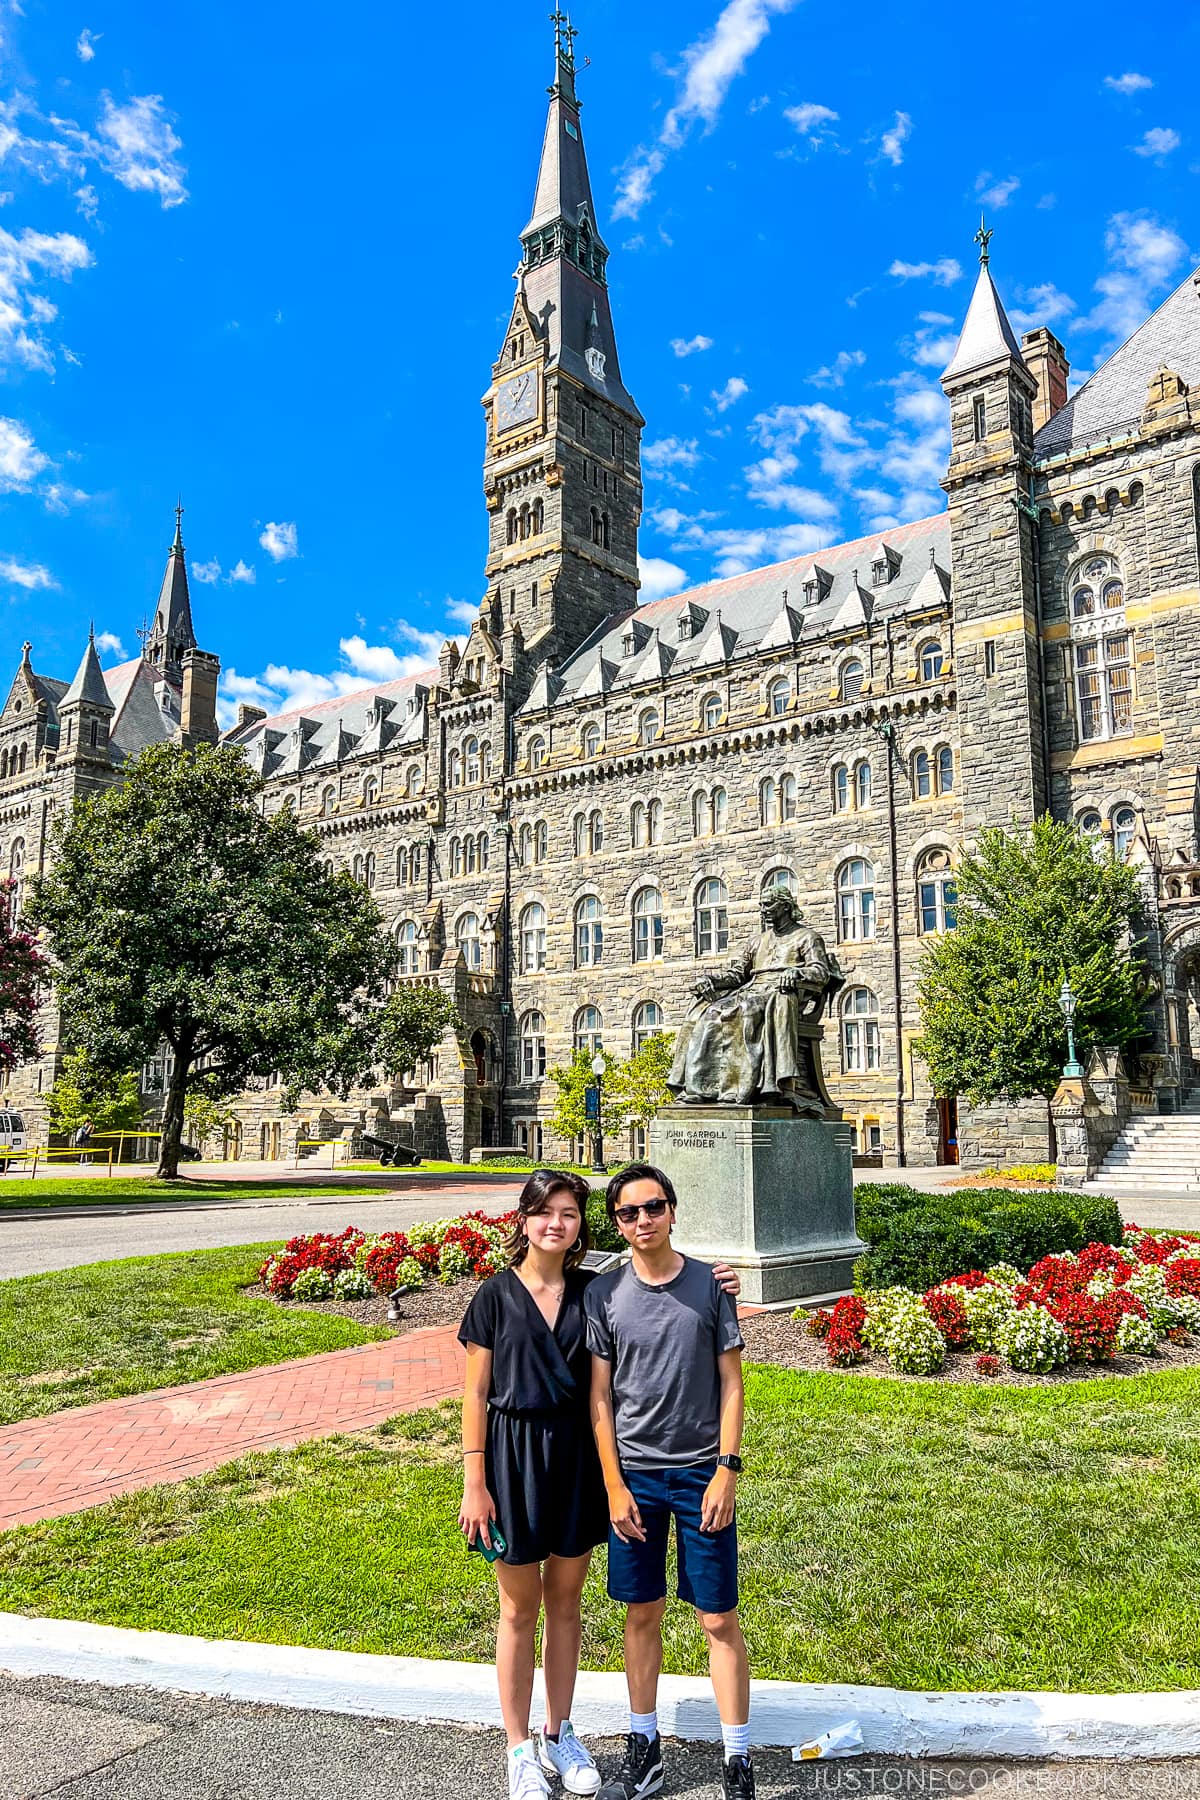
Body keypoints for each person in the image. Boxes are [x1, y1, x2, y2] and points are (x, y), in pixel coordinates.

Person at [458, 1169, 742, 1800]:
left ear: (582, 1224)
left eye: (567, 1212)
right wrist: (475, 1480)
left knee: (566, 1603)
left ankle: (560, 1733)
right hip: (512, 1460)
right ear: (523, 1219)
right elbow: (475, 1395)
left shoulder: (592, 1292)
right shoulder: (494, 1296)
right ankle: (519, 1749)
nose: (555, 1223)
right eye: (544, 1212)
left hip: (580, 1462)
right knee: (516, 1607)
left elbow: (655, 1281)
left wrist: (719, 1281)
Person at [586, 1164, 753, 1800]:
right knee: (641, 1613)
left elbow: (733, 1385)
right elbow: (599, 1400)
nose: (642, 1221)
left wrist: (725, 1471)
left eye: (652, 1207)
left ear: (673, 1210)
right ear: (618, 1224)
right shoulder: (604, 1296)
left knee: (717, 1618)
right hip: (634, 1478)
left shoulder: (712, 1287)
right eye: (628, 1213)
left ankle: (737, 1761)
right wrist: (614, 1485)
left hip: (700, 1474)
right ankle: (644, 1745)